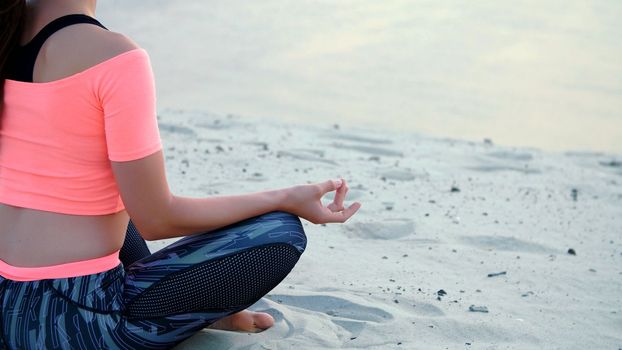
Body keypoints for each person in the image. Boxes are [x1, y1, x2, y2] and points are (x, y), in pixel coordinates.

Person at [0, 0, 361, 349]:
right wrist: (285, 197)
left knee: (104, 194)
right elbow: (157, 218)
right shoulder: (114, 55)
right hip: (75, 325)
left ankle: (193, 311)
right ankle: (187, 312)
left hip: (5, 303)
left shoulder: (5, 31)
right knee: (281, 231)